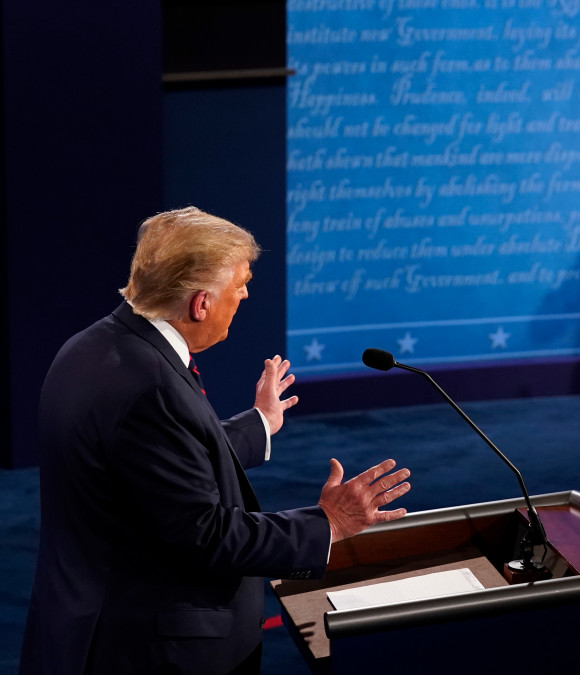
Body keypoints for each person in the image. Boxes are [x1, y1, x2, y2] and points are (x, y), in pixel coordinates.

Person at [21, 207, 413, 674]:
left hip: (84, 623)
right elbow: (204, 535)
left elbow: (158, 465)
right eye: (240, 284)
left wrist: (261, 423)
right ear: (200, 303)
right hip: (147, 651)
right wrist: (328, 522)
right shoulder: (154, 388)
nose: (246, 294)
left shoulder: (92, 347)